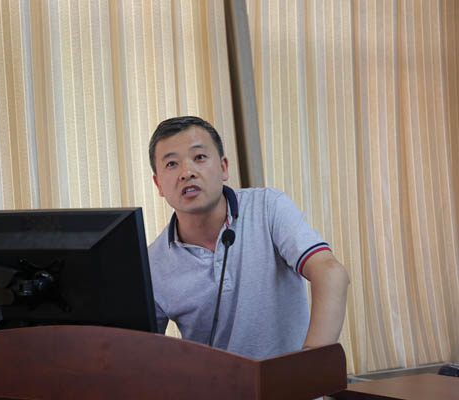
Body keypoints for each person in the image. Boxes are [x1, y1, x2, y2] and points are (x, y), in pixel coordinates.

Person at [147, 116, 349, 360]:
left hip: (294, 381)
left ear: (223, 168)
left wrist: (309, 364)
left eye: (199, 157)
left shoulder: (268, 207)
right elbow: (141, 354)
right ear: (158, 184)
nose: (187, 172)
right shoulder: (152, 263)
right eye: (171, 164)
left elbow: (330, 272)